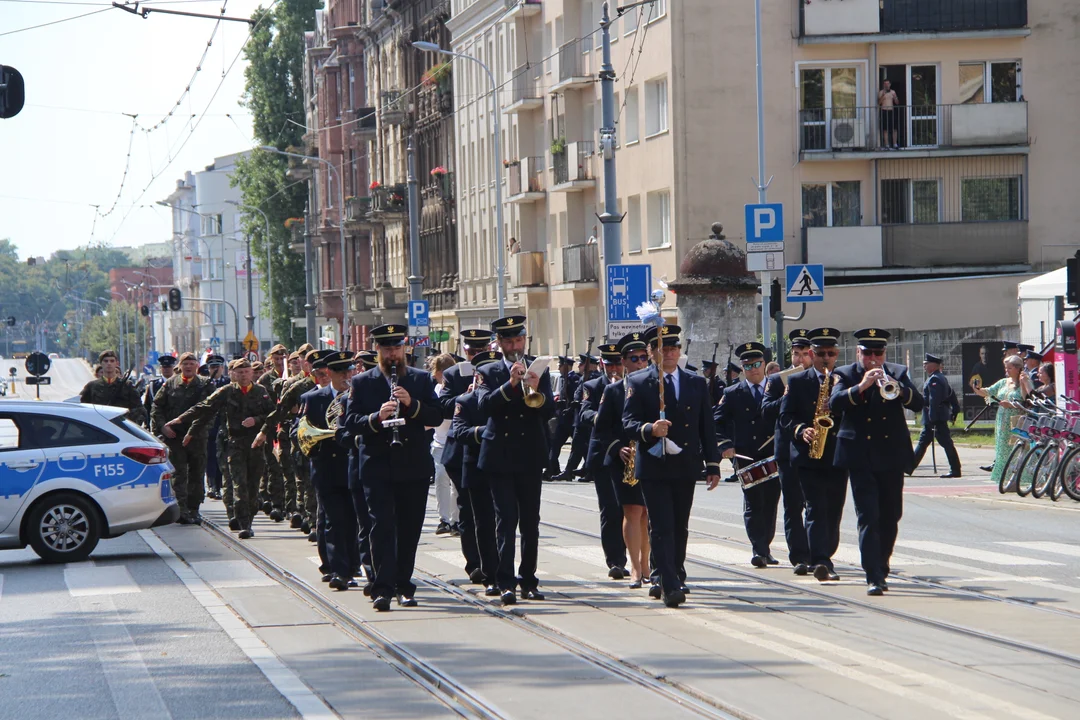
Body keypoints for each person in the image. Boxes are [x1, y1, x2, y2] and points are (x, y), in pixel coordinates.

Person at [341, 324, 441, 612]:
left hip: (413, 465)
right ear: (378, 351)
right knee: (381, 526)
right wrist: (376, 417)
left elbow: (437, 414)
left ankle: (404, 585)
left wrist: (412, 405)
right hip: (377, 466)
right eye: (387, 349)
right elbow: (350, 423)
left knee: (409, 529)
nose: (393, 353)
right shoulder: (362, 382)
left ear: (404, 348)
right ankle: (382, 587)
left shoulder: (420, 379)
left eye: (397, 347)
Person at [622, 324, 721, 608]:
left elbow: (706, 426)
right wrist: (650, 428)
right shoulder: (640, 381)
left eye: (674, 348)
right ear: (652, 352)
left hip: (685, 463)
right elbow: (628, 422)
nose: (669, 353)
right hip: (655, 464)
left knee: (680, 525)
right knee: (662, 525)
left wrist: (712, 464)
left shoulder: (695, 382)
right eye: (663, 349)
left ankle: (674, 571)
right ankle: (667, 582)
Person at [829, 328, 923, 596]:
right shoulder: (846, 374)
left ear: (884, 353)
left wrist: (897, 387)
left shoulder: (898, 372)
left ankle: (882, 563)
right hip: (860, 455)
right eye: (867, 353)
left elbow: (918, 403)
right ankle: (874, 574)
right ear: (859, 353)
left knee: (891, 515)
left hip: (891, 454)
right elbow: (834, 403)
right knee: (868, 515)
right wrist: (862, 386)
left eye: (877, 353)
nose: (873, 358)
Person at [476, 315, 555, 606]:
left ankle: (529, 580)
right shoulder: (488, 370)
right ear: (499, 343)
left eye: (518, 340)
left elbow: (548, 412)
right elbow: (484, 405)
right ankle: (505, 581)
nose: (514, 346)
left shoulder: (540, 369)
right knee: (506, 520)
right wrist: (511, 385)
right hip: (499, 455)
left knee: (530, 522)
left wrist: (537, 391)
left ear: (524, 340)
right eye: (508, 341)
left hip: (530, 454)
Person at [169, 358, 274, 540]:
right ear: (234, 374)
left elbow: (272, 415)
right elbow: (205, 408)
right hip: (235, 443)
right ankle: (245, 524)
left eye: (246, 372)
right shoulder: (226, 392)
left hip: (256, 444)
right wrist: (182, 420)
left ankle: (249, 515)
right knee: (239, 484)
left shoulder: (261, 392)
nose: (243, 375)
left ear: (251, 373)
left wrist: (256, 421)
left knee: (253, 486)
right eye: (239, 372)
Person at [781, 328, 847, 582]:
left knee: (834, 510)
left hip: (838, 454)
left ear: (837, 354)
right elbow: (785, 417)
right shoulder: (798, 381)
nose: (826, 358)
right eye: (820, 354)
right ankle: (821, 560)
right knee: (816, 508)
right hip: (809, 455)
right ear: (811, 354)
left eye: (831, 354)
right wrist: (801, 430)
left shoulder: (844, 380)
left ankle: (826, 552)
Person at [589, 332, 652, 588]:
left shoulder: (655, 385)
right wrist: (617, 448)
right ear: (624, 362)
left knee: (648, 513)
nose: (639, 363)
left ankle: (647, 564)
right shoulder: (614, 390)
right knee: (632, 511)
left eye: (642, 358)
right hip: (623, 459)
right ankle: (635, 567)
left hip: (651, 456)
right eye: (633, 358)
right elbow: (601, 427)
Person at [715, 342, 783, 568]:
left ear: (764, 364)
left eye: (757, 364)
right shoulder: (732, 392)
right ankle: (759, 549)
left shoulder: (777, 388)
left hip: (774, 454)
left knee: (771, 502)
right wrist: (725, 445)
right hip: (746, 457)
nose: (753, 369)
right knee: (754, 503)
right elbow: (717, 422)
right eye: (748, 365)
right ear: (742, 368)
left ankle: (766, 546)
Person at [437, 329, 494, 581]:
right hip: (462, 451)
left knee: (494, 510)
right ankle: (475, 563)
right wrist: (468, 395)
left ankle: (495, 561)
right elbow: (445, 408)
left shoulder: (496, 372)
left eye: (480, 351)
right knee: (468, 511)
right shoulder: (453, 374)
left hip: (492, 448)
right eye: (471, 352)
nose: (475, 356)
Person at [302, 351, 359, 591]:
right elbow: (303, 432)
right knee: (334, 521)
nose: (347, 376)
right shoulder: (314, 398)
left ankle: (353, 566)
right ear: (330, 374)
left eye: (350, 371)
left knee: (354, 520)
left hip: (355, 465)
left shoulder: (361, 395)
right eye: (341, 372)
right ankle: (338, 570)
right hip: (327, 466)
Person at [449, 350, 505, 597]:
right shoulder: (466, 400)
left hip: (506, 468)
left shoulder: (506, 399)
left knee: (505, 523)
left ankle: (506, 573)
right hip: (476, 469)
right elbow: (460, 432)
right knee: (482, 523)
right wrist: (486, 431)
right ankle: (488, 572)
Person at [762, 329, 813, 575]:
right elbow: (766, 410)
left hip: (817, 448)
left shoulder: (821, 378)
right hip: (788, 450)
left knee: (818, 505)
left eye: (805, 354)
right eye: (796, 354)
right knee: (793, 505)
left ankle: (818, 552)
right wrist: (785, 397)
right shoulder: (777, 380)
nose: (800, 359)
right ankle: (800, 556)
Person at [578, 343, 628, 579]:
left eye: (618, 363)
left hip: (631, 453)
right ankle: (616, 561)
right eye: (610, 364)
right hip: (605, 456)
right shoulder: (593, 386)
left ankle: (640, 559)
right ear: (601, 365)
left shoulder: (633, 384)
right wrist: (601, 415)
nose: (615, 368)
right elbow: (583, 413)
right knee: (611, 510)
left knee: (635, 511)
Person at [150, 352, 213, 524]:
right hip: (175, 437)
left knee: (197, 473)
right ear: (180, 366)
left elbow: (212, 409)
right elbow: (157, 406)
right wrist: (163, 426)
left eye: (192, 363)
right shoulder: (170, 384)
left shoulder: (205, 384)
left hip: (197, 437)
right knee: (178, 474)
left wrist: (197, 430)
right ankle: (181, 509)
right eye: (185, 363)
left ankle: (194, 509)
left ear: (196, 366)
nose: (188, 366)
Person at [974, 354, 1031, 490]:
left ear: (1018, 368)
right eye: (1006, 368)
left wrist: (1011, 404)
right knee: (1002, 450)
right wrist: (977, 388)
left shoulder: (1024, 381)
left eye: (1010, 368)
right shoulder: (1003, 382)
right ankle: (1005, 479)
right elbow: (988, 392)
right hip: (1002, 421)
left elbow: (1026, 400)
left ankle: (1019, 479)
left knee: (1016, 450)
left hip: (1017, 421)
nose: (1007, 371)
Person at [910, 353, 962, 478]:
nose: (924, 366)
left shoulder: (935, 379)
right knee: (923, 442)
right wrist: (955, 408)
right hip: (935, 417)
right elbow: (952, 394)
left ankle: (955, 469)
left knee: (945, 443)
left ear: (934, 366)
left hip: (935, 418)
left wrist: (932, 418)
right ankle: (909, 467)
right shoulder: (939, 377)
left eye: (926, 364)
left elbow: (934, 400)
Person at [428, 353, 460, 536]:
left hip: (453, 440)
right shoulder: (437, 389)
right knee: (441, 479)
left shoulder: (457, 387)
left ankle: (456, 520)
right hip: (439, 442)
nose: (435, 375)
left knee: (456, 484)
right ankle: (444, 519)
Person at [256, 344, 289, 521]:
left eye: (282, 358)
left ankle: (288, 504)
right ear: (271, 359)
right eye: (276, 359)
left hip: (286, 426)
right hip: (270, 428)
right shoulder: (264, 380)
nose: (279, 362)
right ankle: (276, 502)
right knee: (272, 465)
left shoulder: (290, 378)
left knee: (288, 466)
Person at [79, 350, 146, 424]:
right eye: (106, 361)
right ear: (101, 363)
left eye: (112, 361)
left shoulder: (127, 386)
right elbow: (80, 407)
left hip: (121, 430)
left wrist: (127, 421)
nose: (109, 363)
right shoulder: (92, 386)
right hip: (99, 428)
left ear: (117, 363)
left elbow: (140, 410)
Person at [548, 355, 581, 479]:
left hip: (572, 418)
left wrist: (570, 407)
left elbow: (575, 398)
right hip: (563, 418)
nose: (559, 368)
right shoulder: (563, 379)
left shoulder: (574, 379)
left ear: (567, 367)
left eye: (561, 365)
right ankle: (551, 469)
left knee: (580, 447)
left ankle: (584, 470)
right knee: (555, 444)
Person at [203, 355, 229, 503]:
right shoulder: (205, 384)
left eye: (217, 367)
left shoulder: (227, 383)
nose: (215, 370)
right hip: (210, 426)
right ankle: (212, 485)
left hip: (224, 424)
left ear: (222, 368)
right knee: (211, 456)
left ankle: (220, 484)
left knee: (223, 457)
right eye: (212, 367)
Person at [142, 355, 176, 427]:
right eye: (164, 367)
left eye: (169, 367)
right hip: (157, 426)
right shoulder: (152, 385)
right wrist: (147, 425)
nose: (166, 369)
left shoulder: (179, 383)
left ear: (173, 368)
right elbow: (147, 408)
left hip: (176, 425)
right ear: (160, 368)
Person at [879, 79, 899, 149]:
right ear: (883, 85)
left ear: (890, 84)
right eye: (885, 84)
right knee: (885, 129)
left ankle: (895, 144)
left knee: (894, 128)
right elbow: (879, 103)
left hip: (891, 111)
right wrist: (883, 95)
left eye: (888, 84)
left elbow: (897, 102)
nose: (886, 85)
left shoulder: (893, 92)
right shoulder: (881, 92)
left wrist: (895, 96)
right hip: (884, 111)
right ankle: (887, 144)